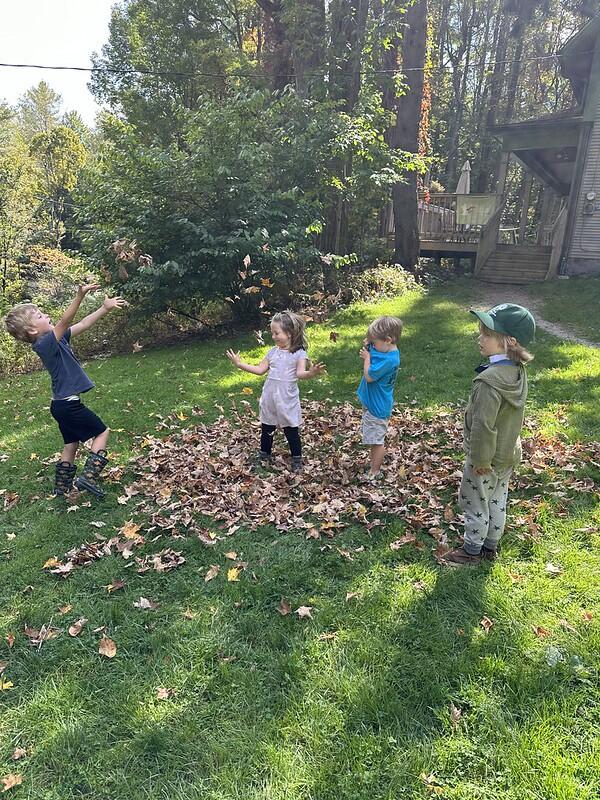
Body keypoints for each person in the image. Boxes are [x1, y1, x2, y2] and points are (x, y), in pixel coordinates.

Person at [4, 285, 128, 498]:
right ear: (33, 330)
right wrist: (79, 296)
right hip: (69, 405)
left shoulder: (57, 339)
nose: (47, 315)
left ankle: (61, 487)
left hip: (60, 405)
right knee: (102, 432)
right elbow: (65, 321)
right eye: (41, 315)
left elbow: (83, 323)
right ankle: (88, 478)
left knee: (71, 443)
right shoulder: (44, 344)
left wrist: (104, 308)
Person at [445, 303, 535, 565]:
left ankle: (471, 551)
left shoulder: (488, 382)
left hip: (486, 457)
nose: (479, 338)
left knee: (475, 501)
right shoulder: (517, 372)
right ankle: (489, 547)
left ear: (510, 341)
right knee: (497, 499)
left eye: (486, 334)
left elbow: (484, 426)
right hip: (507, 453)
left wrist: (480, 461)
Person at [226, 310, 325, 471]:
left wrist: (311, 372)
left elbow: (300, 373)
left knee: (291, 430)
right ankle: (264, 454)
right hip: (270, 396)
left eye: (276, 333)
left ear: (289, 333)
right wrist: (239, 364)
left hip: (287, 398)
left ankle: (297, 458)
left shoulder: (299, 353)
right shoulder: (272, 352)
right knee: (267, 427)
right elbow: (259, 370)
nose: (273, 336)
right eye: (272, 333)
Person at [357, 315, 402, 479]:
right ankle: (373, 465)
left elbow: (369, 376)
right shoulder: (385, 349)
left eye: (374, 342)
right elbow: (376, 348)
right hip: (373, 403)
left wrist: (367, 359)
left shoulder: (390, 361)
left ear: (388, 340)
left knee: (376, 441)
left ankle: (375, 471)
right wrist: (370, 343)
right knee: (373, 437)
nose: (372, 345)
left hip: (378, 407)